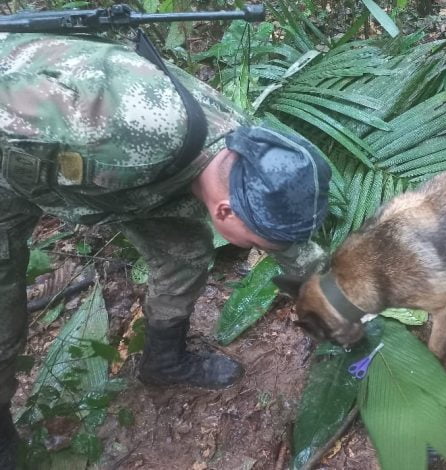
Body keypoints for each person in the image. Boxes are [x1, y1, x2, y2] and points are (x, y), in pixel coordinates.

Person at [0, 32, 331, 467]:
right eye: (257, 245)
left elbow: (282, 235)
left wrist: (338, 295)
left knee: (184, 255)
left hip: (128, 186)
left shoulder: (245, 152)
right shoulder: (119, 132)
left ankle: (164, 360)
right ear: (227, 212)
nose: (264, 251)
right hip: (13, 171)